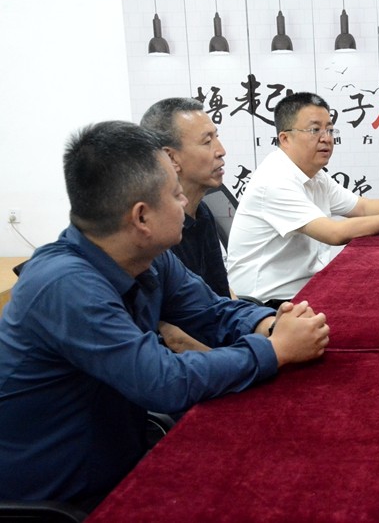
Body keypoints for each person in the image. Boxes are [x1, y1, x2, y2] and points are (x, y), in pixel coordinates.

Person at [0, 121, 330, 510]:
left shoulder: (148, 257)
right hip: (63, 502)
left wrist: (272, 325)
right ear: (141, 218)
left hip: (125, 462)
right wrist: (274, 350)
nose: (184, 202)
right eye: (175, 194)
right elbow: (162, 381)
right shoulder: (64, 285)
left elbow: (212, 311)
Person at [226, 92, 379, 305]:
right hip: (268, 301)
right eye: (314, 130)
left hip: (304, 287)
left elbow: (362, 206)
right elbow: (334, 233)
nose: (326, 138)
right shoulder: (274, 180)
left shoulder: (313, 174)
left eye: (329, 129)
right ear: (285, 139)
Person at [140, 97, 230, 298]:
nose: (221, 151)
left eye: (216, 137)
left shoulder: (202, 211)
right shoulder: (153, 231)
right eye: (207, 142)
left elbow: (218, 295)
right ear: (170, 158)